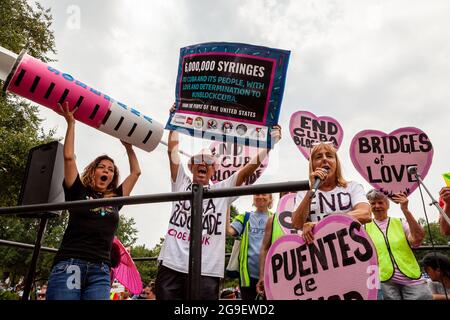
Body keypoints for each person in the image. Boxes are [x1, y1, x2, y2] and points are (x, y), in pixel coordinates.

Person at [156, 105, 281, 300]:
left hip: (207, 268)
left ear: (214, 170)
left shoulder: (223, 190)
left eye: (208, 162)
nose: (203, 164)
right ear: (192, 166)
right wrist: (175, 120)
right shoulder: (181, 182)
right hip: (173, 263)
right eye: (199, 161)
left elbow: (248, 169)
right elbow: (172, 152)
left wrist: (269, 143)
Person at [46, 102, 142, 300]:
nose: (106, 170)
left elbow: (136, 172)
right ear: (93, 170)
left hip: (100, 269)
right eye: (102, 167)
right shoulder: (78, 190)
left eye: (110, 169)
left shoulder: (116, 198)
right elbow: (69, 158)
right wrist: (71, 123)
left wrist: (128, 147)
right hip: (71, 263)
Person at [291, 142, 372, 243]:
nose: (325, 159)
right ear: (312, 165)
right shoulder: (304, 193)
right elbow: (297, 224)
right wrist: (311, 190)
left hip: (353, 252)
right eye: (318, 157)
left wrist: (321, 225)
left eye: (329, 156)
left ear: (336, 163)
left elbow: (365, 214)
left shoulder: (352, 187)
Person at [365, 189, 432, 300]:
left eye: (380, 202)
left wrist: (405, 209)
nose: (377, 206)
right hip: (383, 280)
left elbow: (417, 239)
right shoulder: (365, 228)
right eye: (373, 203)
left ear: (387, 205)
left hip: (411, 277)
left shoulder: (400, 222)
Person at [226, 194, 273, 300]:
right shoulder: (245, 217)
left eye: (264, 194)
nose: (260, 196)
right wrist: (226, 203)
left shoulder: (275, 218)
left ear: (270, 198)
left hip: (269, 275)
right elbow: (229, 231)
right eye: (257, 194)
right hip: (248, 277)